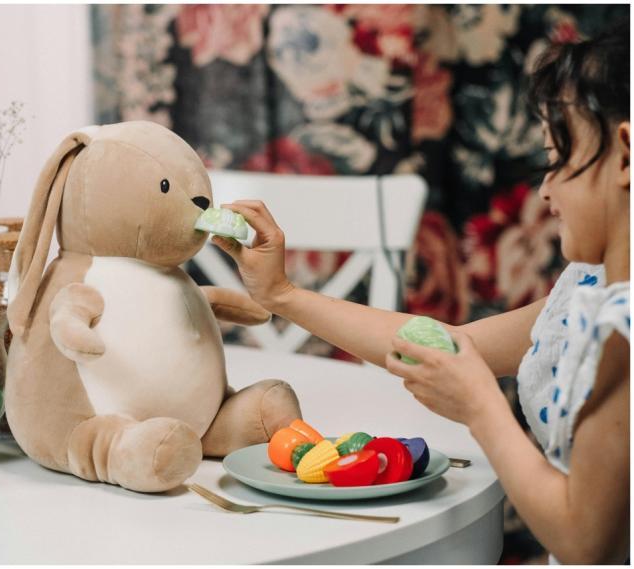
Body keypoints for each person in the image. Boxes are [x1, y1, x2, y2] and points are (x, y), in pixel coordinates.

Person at [211, 22, 629, 564]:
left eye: (556, 158)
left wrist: (480, 407)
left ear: (623, 156)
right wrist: (282, 294)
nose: (545, 189)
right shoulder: (588, 287)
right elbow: (447, 343)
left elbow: (583, 542)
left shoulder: (623, 326)